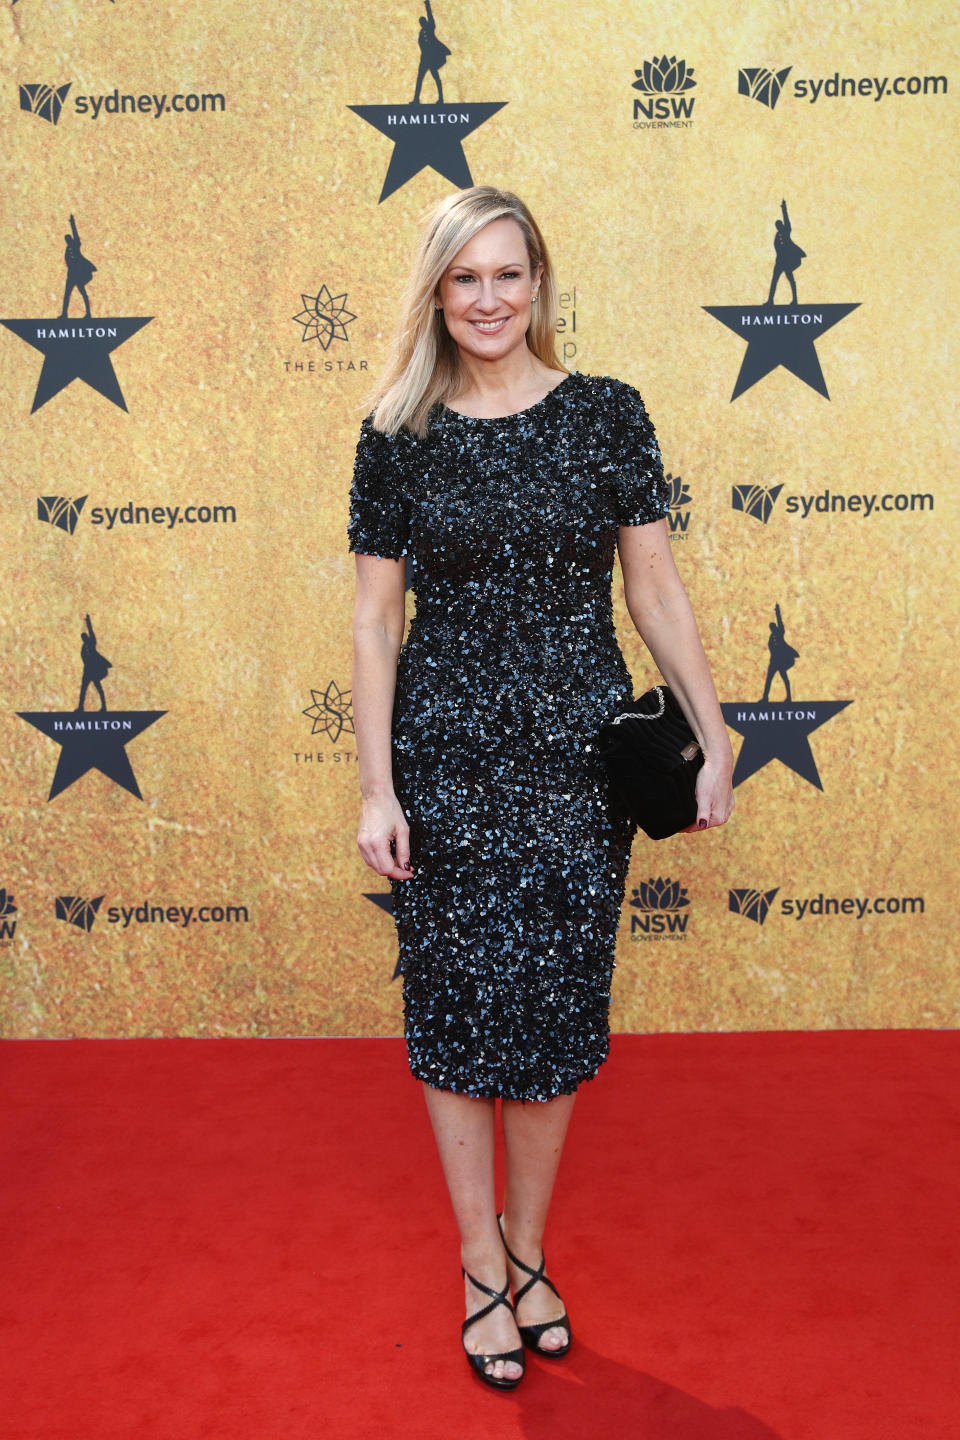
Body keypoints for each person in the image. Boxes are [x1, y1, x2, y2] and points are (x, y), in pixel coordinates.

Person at [349, 186, 733, 1391]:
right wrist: (376, 789)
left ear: (540, 284)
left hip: (577, 761)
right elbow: (373, 622)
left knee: (560, 1017)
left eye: (508, 274)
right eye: (465, 279)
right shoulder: (395, 433)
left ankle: (529, 1249)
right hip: (448, 758)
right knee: (459, 1013)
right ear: (436, 293)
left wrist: (714, 737)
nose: (489, 299)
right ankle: (478, 1263)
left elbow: (654, 591)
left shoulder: (607, 416)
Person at [766, 199, 805, 306]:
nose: (779, 226)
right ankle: (770, 301)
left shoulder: (786, 231)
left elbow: (786, 218)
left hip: (787, 261)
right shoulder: (777, 236)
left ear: (782, 225)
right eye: (777, 225)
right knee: (774, 281)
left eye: (780, 224)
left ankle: (795, 300)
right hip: (779, 262)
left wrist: (784, 208)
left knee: (791, 280)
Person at [412, 0, 450, 104]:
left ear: (425, 21)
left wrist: (427, 5)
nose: (422, 23)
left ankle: (441, 99)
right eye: (421, 22)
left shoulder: (430, 27)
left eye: (423, 21)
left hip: (432, 58)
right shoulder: (421, 33)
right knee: (419, 79)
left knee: (436, 78)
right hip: (424, 59)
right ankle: (416, 99)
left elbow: (430, 15)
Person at [761, 602, 799, 702]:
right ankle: (765, 697)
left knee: (785, 679)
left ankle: (789, 697)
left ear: (775, 627)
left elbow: (780, 621)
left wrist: (777, 611)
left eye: (773, 626)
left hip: (781, 661)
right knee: (768, 680)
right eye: (771, 627)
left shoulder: (780, 632)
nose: (772, 627)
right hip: (773, 662)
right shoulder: (771, 637)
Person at [77, 614, 111, 712]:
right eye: (83, 638)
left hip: (94, 669)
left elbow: (91, 631)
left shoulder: (92, 643)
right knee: (83, 689)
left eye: (85, 637)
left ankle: (104, 707)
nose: (84, 639)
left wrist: (88, 622)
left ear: (87, 637)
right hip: (88, 670)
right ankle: (80, 707)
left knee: (99, 688)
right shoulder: (83, 648)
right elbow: (84, 659)